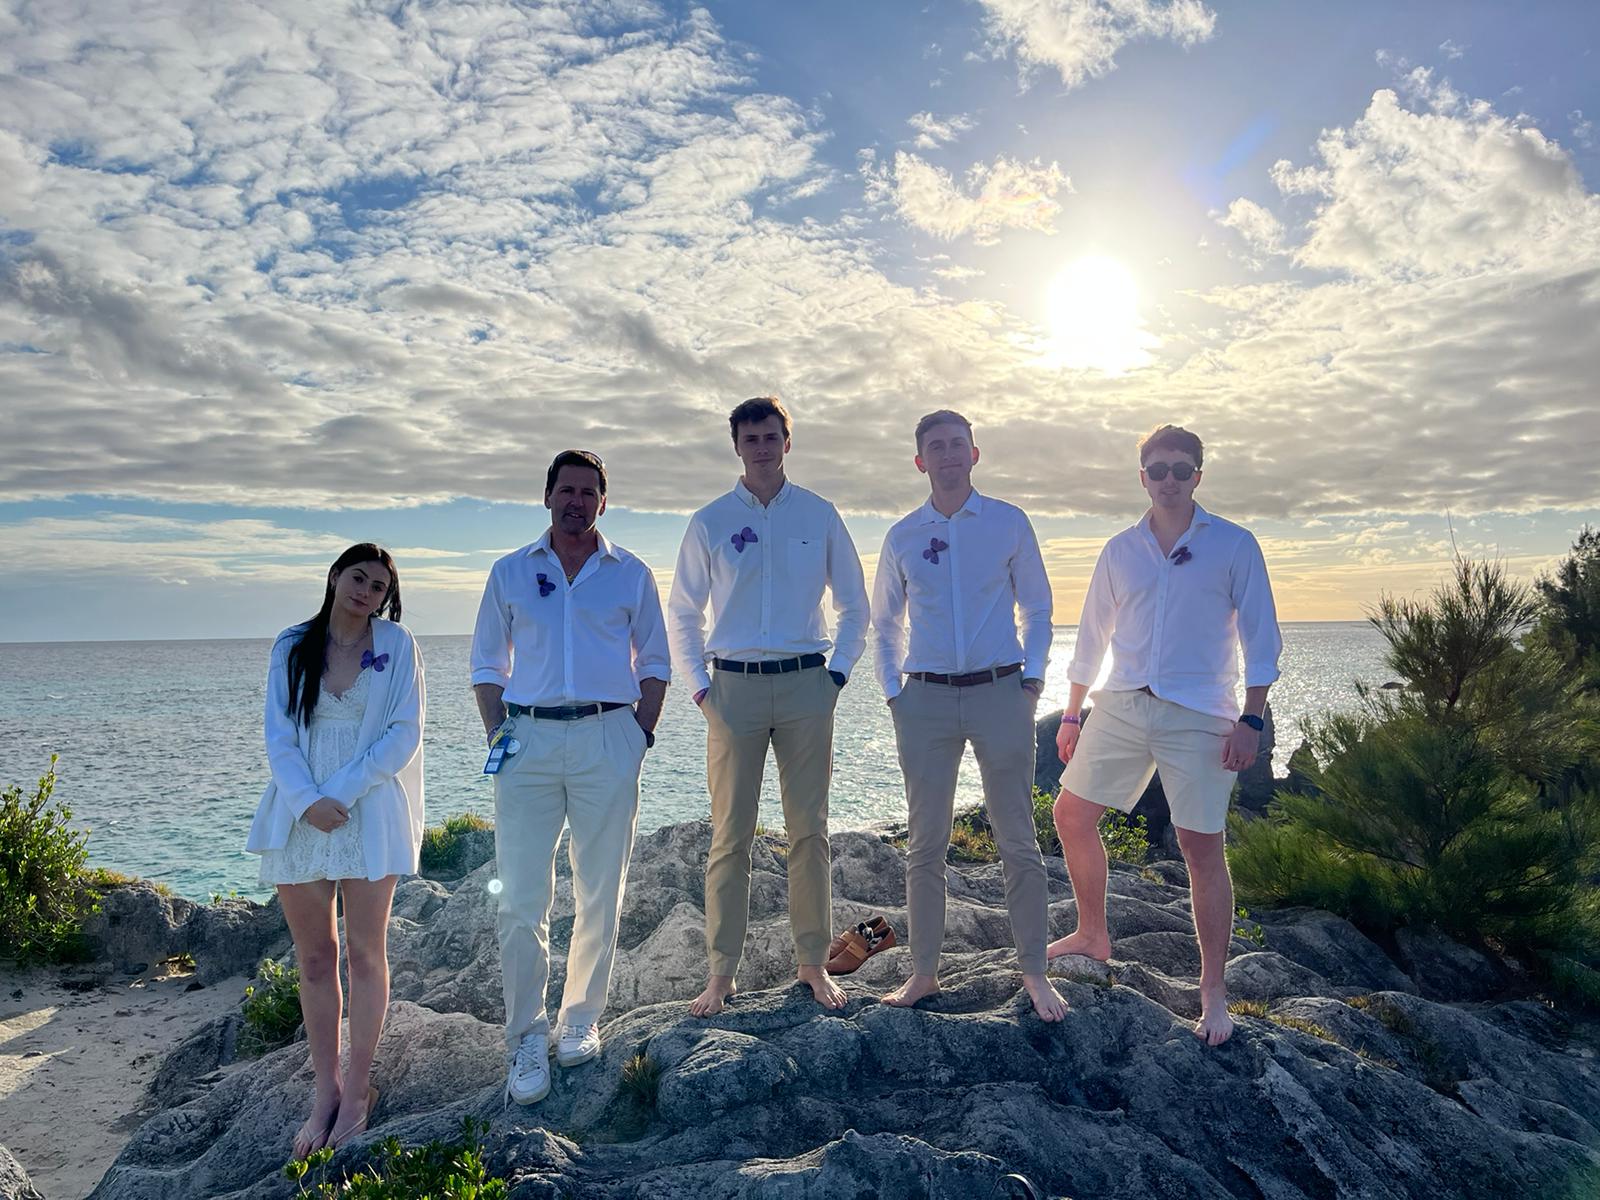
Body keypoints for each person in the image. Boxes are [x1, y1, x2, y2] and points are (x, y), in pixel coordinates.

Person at [1050, 424, 1282, 1046]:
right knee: (1071, 814)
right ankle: (1093, 934)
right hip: (1123, 702)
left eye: (1182, 470)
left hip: (1201, 712)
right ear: (1143, 477)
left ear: (1199, 476)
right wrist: (1072, 713)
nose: (1170, 480)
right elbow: (1091, 636)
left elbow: (1262, 638)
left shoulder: (1234, 545)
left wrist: (1252, 719)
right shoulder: (1120, 550)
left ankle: (1212, 990)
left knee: (1200, 845)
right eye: (1159, 470)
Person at [470, 450, 670, 1106]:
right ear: (547, 496)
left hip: (606, 737)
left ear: (604, 502)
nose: (577, 501)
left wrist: (635, 736)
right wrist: (501, 734)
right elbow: (486, 665)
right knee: (522, 899)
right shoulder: (509, 572)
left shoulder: (631, 574)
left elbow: (657, 661)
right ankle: (526, 1034)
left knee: (599, 890)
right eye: (566, 490)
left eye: (589, 491)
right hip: (525, 739)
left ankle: (579, 1016)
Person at [667, 397, 869, 1017]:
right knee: (730, 836)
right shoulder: (708, 521)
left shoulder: (820, 514)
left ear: (788, 441)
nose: (761, 446)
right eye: (750, 437)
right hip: (732, 689)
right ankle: (720, 976)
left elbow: (855, 605)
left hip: (808, 683)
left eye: (771, 436)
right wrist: (701, 688)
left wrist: (835, 676)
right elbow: (682, 611)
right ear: (736, 445)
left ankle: (812, 964)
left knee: (809, 833)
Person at [870, 410, 1066, 1022]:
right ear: (921, 460)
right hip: (924, 699)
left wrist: (1033, 679)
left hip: (1001, 693)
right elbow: (885, 624)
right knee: (924, 845)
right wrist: (893, 693)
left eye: (958, 444)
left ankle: (1033, 971)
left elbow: (1038, 608)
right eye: (936, 447)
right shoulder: (903, 536)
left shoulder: (1008, 522)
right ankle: (923, 973)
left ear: (974, 454)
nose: (949, 454)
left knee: (1018, 839)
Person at [246, 543, 425, 1157]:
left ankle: (358, 1091)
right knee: (316, 958)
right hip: (300, 808)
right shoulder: (291, 644)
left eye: (378, 586)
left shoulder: (397, 647)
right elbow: (277, 732)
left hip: (368, 804)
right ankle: (325, 1090)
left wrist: (341, 793)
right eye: (357, 578)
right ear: (333, 577)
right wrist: (305, 801)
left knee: (366, 954)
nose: (365, 591)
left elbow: (405, 733)